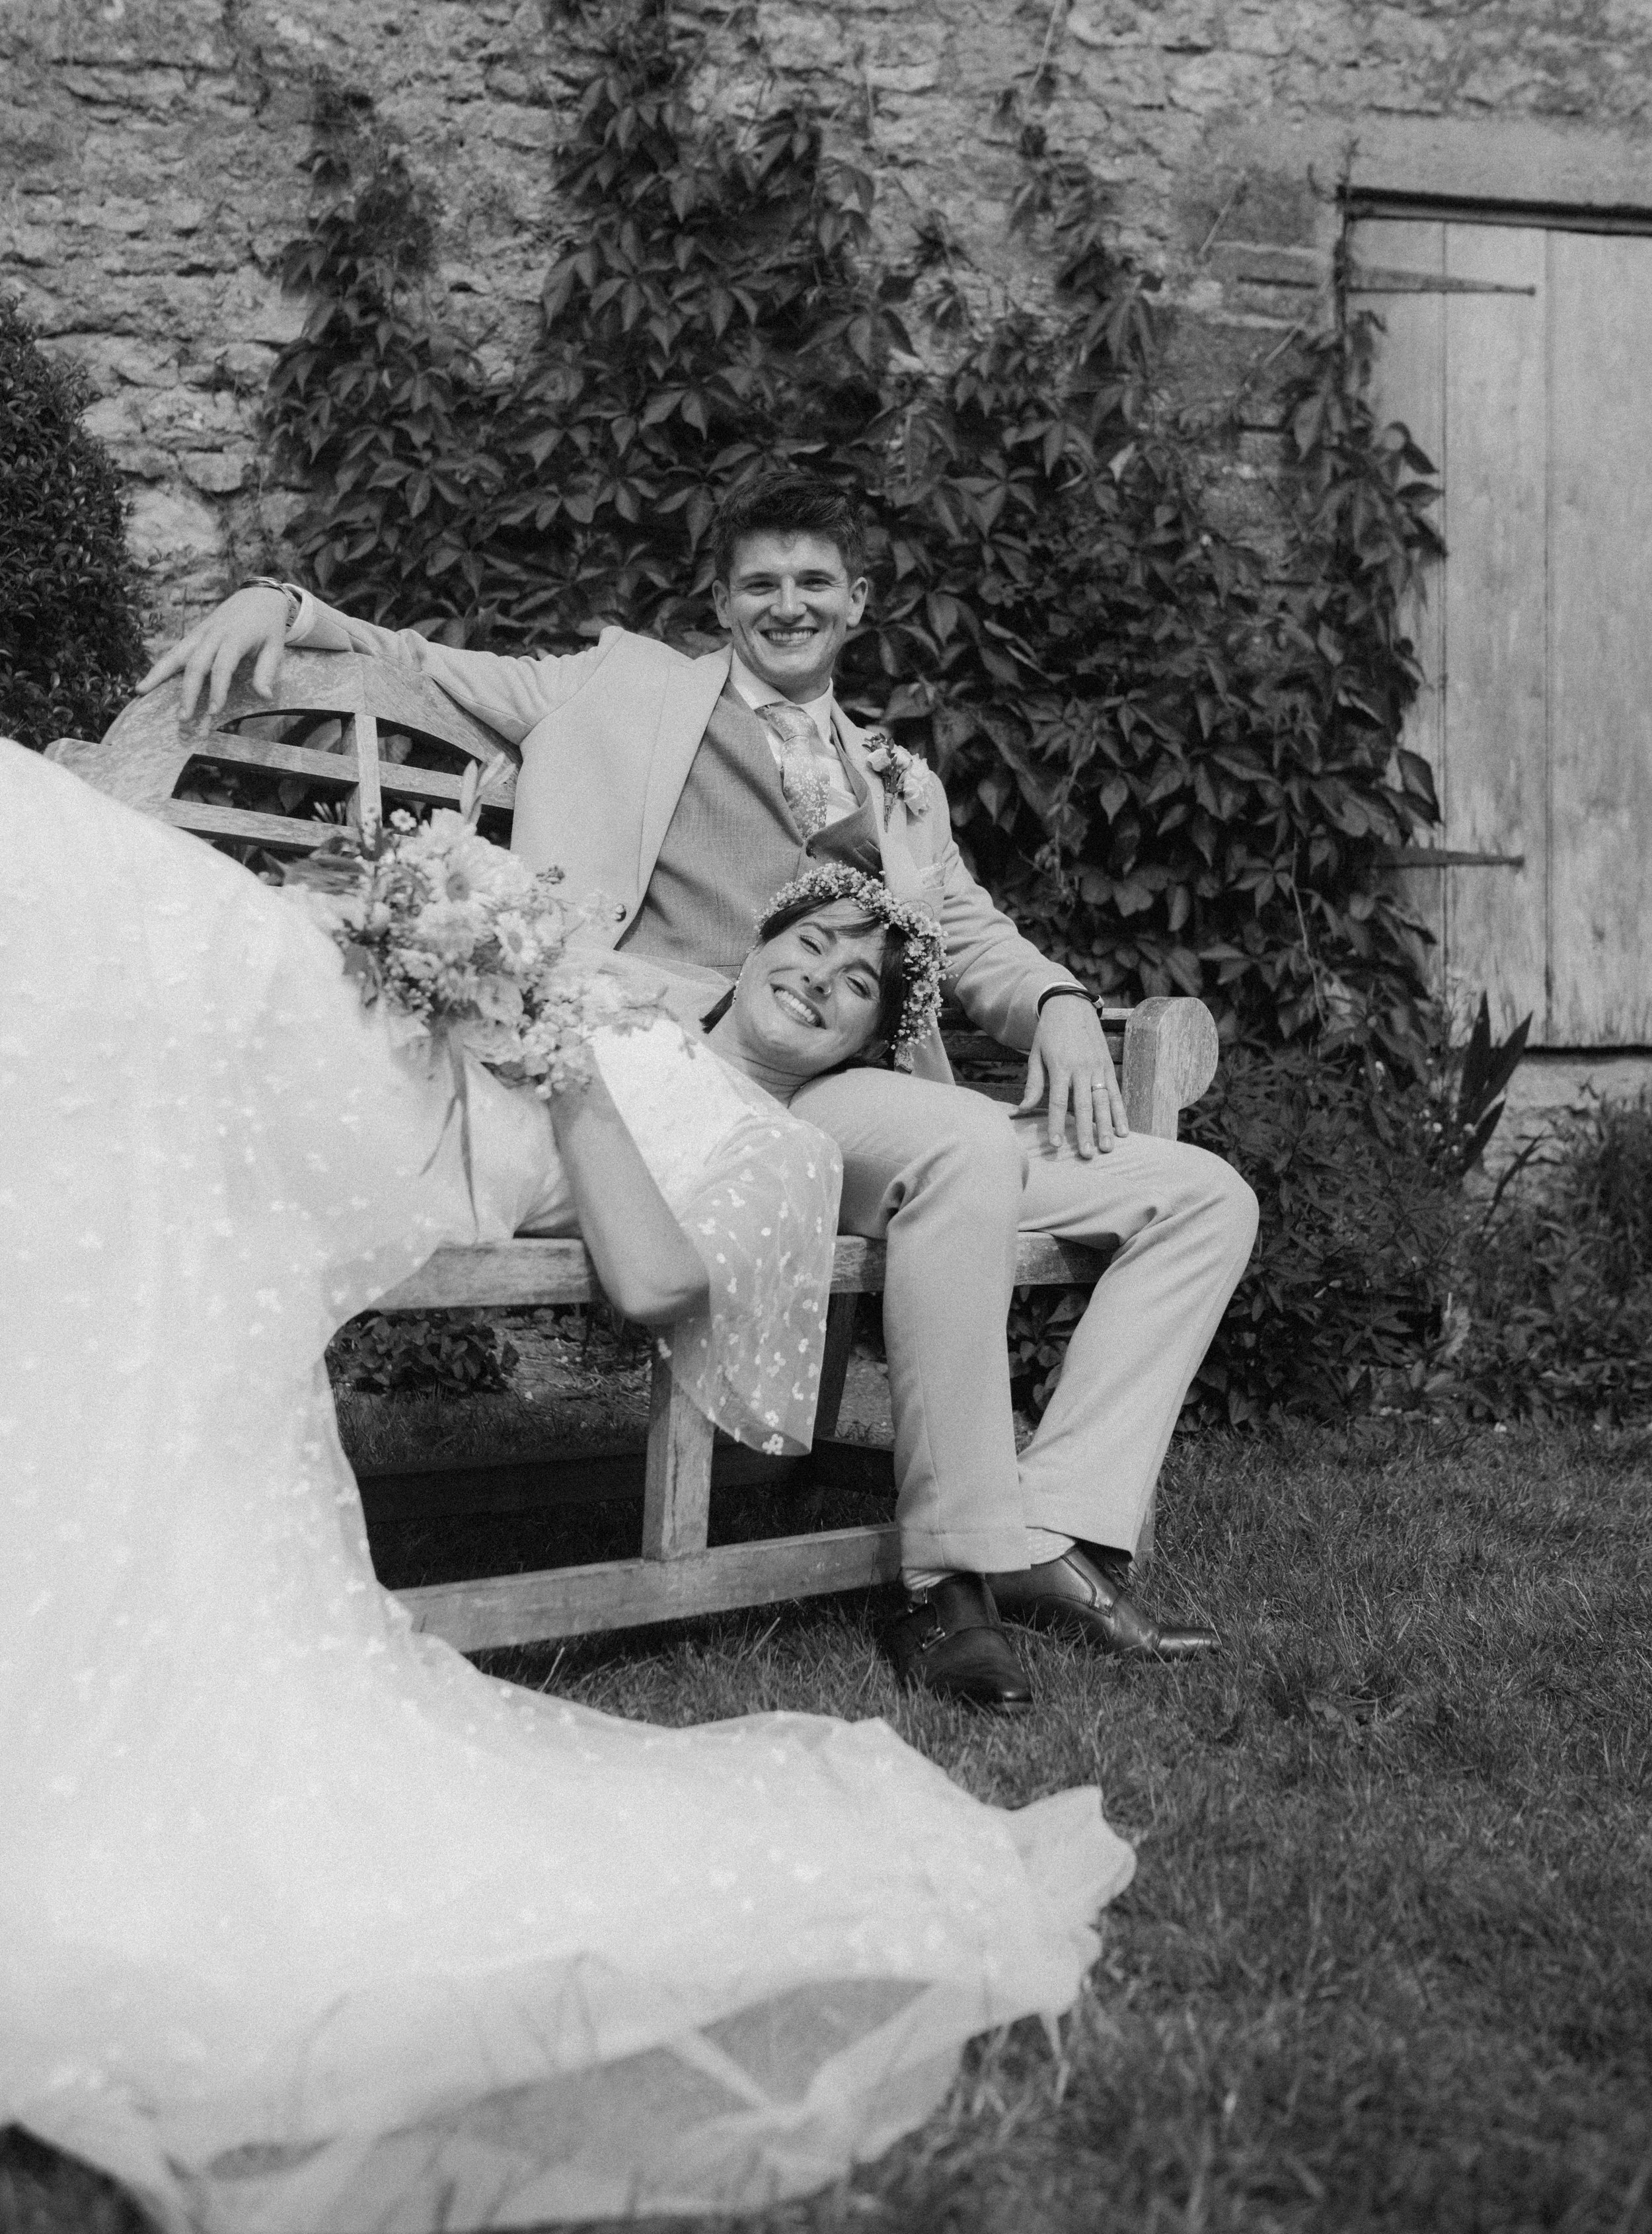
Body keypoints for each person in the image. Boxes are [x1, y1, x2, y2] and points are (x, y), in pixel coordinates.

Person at [0, 738, 1135, 2234]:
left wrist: (559, 1047)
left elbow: (661, 1283)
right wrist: (435, 937)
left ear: (864, 1045)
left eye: (858, 981)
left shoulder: (772, 1150)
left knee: (93, 901)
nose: (821, 971)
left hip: (384, 1126)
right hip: (372, 1058)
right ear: (759, 940)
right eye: (813, 937)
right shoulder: (628, 998)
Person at [140, 470, 1259, 1710]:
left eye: (814, 583)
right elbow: (421, 659)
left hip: (870, 1083)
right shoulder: (617, 686)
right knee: (961, 1148)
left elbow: (969, 936)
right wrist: (280, 599)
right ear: (722, 603)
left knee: (1201, 1195)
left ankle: (1057, 1532)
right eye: (762, 583)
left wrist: (1054, 1002)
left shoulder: (899, 781)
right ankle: (949, 1582)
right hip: (708, 1072)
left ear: (857, 604)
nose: (789, 605)